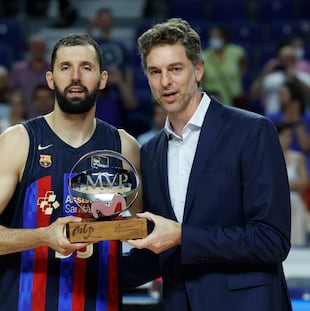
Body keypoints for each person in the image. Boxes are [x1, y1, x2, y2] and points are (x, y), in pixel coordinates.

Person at [121, 18, 292, 311]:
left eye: (175, 69)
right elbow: (158, 255)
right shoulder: (149, 152)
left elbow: (271, 239)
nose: (165, 82)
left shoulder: (251, 130)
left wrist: (182, 236)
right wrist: (89, 260)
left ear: (198, 70)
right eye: (155, 72)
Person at [0, 33, 141, 310]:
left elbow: (140, 235)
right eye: (65, 67)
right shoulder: (18, 141)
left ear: (103, 79)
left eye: (86, 67)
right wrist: (43, 236)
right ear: (50, 78)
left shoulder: (125, 147)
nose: (76, 77)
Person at [276, 122, 309, 246]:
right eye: (285, 136)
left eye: (290, 136)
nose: (288, 140)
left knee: (297, 238)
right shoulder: (268, 157)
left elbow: (304, 182)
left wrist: (278, 185)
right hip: (276, 203)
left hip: (294, 203)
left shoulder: (298, 157)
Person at [202, 26, 248, 108]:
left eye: (217, 36)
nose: (214, 39)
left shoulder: (236, 52)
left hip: (235, 100)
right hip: (214, 102)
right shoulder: (205, 56)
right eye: (212, 37)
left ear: (224, 38)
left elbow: (244, 61)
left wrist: (240, 75)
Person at [10, 33, 50, 119]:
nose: (38, 49)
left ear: (45, 49)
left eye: (40, 47)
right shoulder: (18, 70)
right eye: (35, 47)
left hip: (50, 119)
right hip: (24, 120)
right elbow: (12, 95)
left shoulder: (54, 69)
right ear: (29, 49)